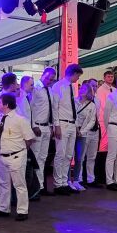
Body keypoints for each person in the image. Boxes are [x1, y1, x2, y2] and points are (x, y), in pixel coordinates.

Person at [0, 93, 35, 220]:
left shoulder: (20, 120)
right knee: (3, 183)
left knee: (19, 184)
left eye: (0, 102)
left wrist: (21, 151)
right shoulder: (0, 118)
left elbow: (29, 138)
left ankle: (22, 210)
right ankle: (4, 208)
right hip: (1, 155)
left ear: (6, 105)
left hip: (16, 156)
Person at [51, 64, 83, 195]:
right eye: (77, 76)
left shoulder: (71, 87)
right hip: (62, 123)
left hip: (71, 123)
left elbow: (73, 108)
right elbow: (55, 107)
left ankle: (65, 182)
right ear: (73, 74)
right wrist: (57, 125)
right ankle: (58, 183)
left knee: (69, 155)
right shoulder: (58, 86)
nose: (78, 79)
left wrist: (76, 125)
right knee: (60, 154)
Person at [28, 67, 57, 194]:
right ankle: (34, 187)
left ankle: (40, 185)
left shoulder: (49, 90)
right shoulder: (35, 88)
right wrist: (34, 125)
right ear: (43, 75)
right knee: (36, 157)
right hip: (38, 126)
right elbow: (30, 108)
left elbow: (51, 109)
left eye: (52, 80)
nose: (49, 81)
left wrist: (52, 126)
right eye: (48, 78)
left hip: (47, 126)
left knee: (43, 158)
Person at [74, 84, 99, 188]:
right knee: (71, 156)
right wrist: (76, 128)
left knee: (82, 157)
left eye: (85, 89)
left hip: (84, 132)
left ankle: (84, 179)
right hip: (73, 129)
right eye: (81, 88)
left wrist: (82, 131)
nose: (82, 90)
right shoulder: (74, 101)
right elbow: (72, 116)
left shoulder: (92, 105)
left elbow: (92, 120)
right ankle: (74, 179)